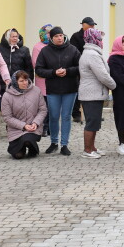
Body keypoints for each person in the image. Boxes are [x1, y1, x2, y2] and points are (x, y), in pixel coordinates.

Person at [35, 26, 81, 155]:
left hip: (70, 88)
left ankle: (64, 145)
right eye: (56, 36)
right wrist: (54, 72)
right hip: (53, 89)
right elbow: (38, 70)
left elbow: (80, 67)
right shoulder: (45, 51)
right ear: (51, 38)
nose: (59, 38)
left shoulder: (73, 49)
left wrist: (68, 71)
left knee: (66, 116)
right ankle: (54, 142)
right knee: (54, 116)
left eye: (61, 35)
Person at [78, 28, 116, 158]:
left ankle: (92, 147)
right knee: (92, 122)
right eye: (99, 38)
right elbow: (103, 75)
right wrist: (114, 85)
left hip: (94, 94)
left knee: (95, 122)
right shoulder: (92, 55)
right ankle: (87, 150)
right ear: (93, 39)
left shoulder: (92, 52)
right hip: (91, 94)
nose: (101, 41)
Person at [1, 71, 47, 159]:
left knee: (27, 140)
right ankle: (18, 148)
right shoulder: (7, 96)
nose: (25, 83)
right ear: (15, 82)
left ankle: (33, 148)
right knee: (18, 156)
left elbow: (43, 110)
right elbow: (7, 117)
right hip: (15, 129)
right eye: (21, 81)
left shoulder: (36, 91)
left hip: (33, 128)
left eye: (26, 80)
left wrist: (35, 123)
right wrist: (23, 126)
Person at [70, 17, 97, 123]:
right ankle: (76, 113)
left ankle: (90, 113)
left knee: (90, 90)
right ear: (83, 25)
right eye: (90, 25)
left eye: (93, 25)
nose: (92, 27)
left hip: (91, 67)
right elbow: (74, 52)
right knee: (78, 90)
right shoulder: (76, 36)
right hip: (79, 66)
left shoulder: (94, 36)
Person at [0, 28, 33, 97]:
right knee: (3, 105)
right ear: (7, 37)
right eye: (12, 37)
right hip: (1, 84)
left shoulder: (24, 50)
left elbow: (29, 68)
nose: (15, 38)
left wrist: (29, 83)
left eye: (16, 37)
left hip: (18, 85)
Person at [31, 24, 53, 136]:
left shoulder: (54, 46)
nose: (49, 35)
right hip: (42, 81)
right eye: (47, 33)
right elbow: (35, 64)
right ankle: (44, 127)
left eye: (51, 33)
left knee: (52, 106)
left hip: (54, 80)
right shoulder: (37, 47)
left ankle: (51, 128)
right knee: (44, 106)